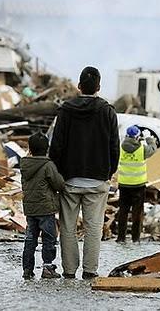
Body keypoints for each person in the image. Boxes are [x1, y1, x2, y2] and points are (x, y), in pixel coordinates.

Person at [49, 66, 119, 280]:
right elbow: (114, 146)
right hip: (97, 181)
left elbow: (56, 146)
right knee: (94, 228)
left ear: (79, 86)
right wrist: (109, 172)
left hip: (69, 180)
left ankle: (69, 270)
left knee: (68, 228)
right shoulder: (108, 111)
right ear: (98, 87)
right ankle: (90, 270)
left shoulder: (65, 111)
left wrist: (58, 174)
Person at [21, 132, 65, 280]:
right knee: (49, 238)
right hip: (46, 208)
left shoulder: (25, 165)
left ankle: (27, 269)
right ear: (47, 149)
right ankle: (47, 267)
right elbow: (58, 184)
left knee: (30, 238)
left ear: (30, 148)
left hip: (30, 208)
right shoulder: (48, 165)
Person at [116, 125, 157, 243]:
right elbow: (153, 149)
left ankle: (121, 238)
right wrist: (149, 139)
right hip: (138, 186)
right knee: (137, 213)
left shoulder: (120, 148)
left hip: (124, 185)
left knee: (123, 212)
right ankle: (135, 238)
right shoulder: (142, 149)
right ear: (137, 136)